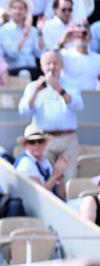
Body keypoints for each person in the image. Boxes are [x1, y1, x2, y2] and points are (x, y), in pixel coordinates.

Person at [18, 50, 84, 182]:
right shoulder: (33, 86)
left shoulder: (71, 85)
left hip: (68, 139)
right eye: (48, 63)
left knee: (69, 179)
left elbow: (78, 105)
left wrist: (59, 89)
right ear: (42, 66)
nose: (52, 67)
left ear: (61, 65)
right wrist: (36, 91)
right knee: (46, 180)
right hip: (43, 141)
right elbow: (23, 111)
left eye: (55, 63)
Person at [0, 0, 44, 80]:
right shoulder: (3, 31)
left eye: (21, 8)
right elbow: (13, 53)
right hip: (14, 71)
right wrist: (25, 34)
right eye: (14, 8)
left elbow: (39, 53)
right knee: (24, 74)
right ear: (9, 10)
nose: (17, 11)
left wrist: (40, 32)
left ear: (26, 11)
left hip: (33, 69)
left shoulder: (33, 30)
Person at [14, 124, 67, 199]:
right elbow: (41, 194)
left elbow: (61, 193)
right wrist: (56, 174)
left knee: (88, 200)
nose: (37, 145)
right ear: (26, 145)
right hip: (39, 207)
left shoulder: (45, 161)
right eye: (32, 142)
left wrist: (60, 174)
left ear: (45, 143)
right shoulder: (25, 163)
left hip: (53, 203)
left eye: (40, 141)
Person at [59, 24, 100, 91]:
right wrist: (62, 41)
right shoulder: (64, 54)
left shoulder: (98, 58)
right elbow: (49, 58)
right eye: (77, 34)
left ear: (90, 36)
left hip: (91, 98)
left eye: (84, 33)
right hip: (71, 98)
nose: (80, 36)